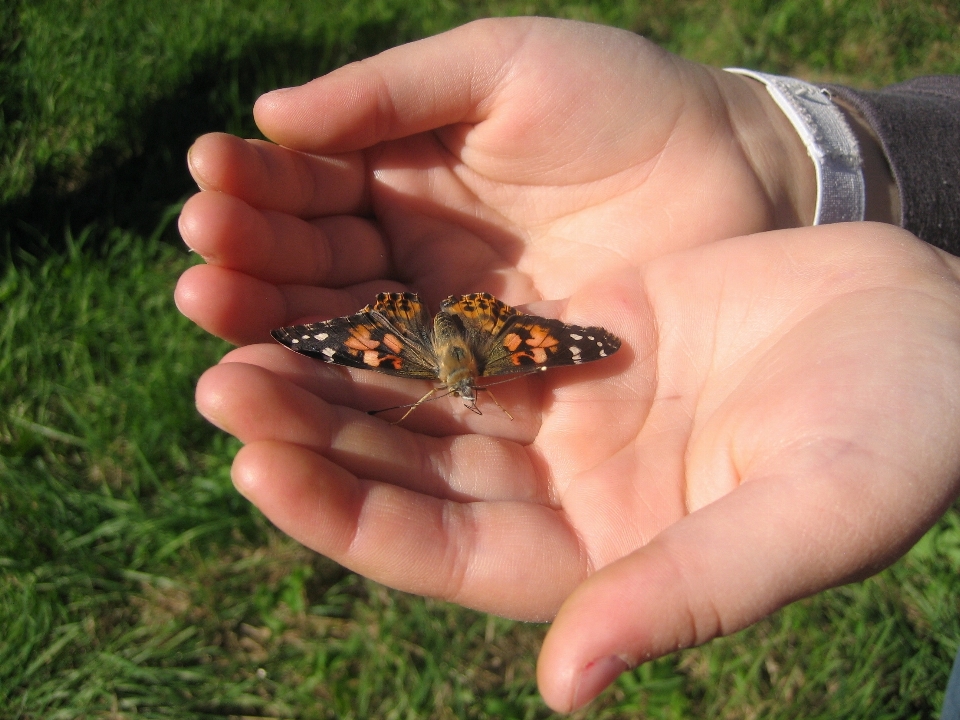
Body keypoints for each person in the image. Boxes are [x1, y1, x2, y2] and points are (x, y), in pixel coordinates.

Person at [174, 17, 960, 713]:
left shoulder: (460, 365)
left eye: (462, 389)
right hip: (467, 333)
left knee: (382, 351)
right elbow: (547, 344)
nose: (462, 394)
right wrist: (786, 155)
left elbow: (565, 346)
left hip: (428, 336)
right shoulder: (498, 358)